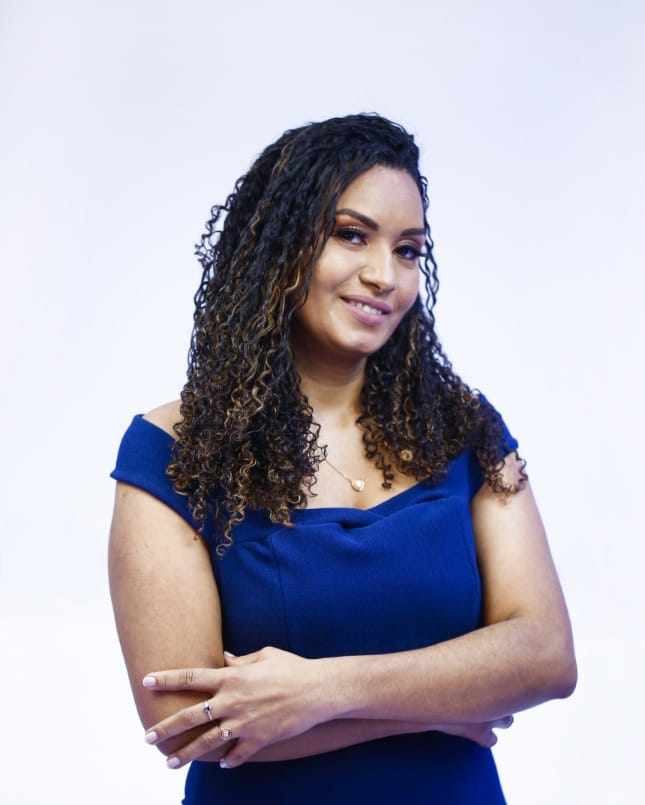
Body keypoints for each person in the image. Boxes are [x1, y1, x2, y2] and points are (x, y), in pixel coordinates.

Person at [109, 113, 576, 804]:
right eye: (351, 235)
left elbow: (546, 653)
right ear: (278, 245)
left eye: (408, 250)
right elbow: (187, 724)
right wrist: (444, 706)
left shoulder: (464, 428)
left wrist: (322, 690)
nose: (384, 275)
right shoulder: (176, 450)